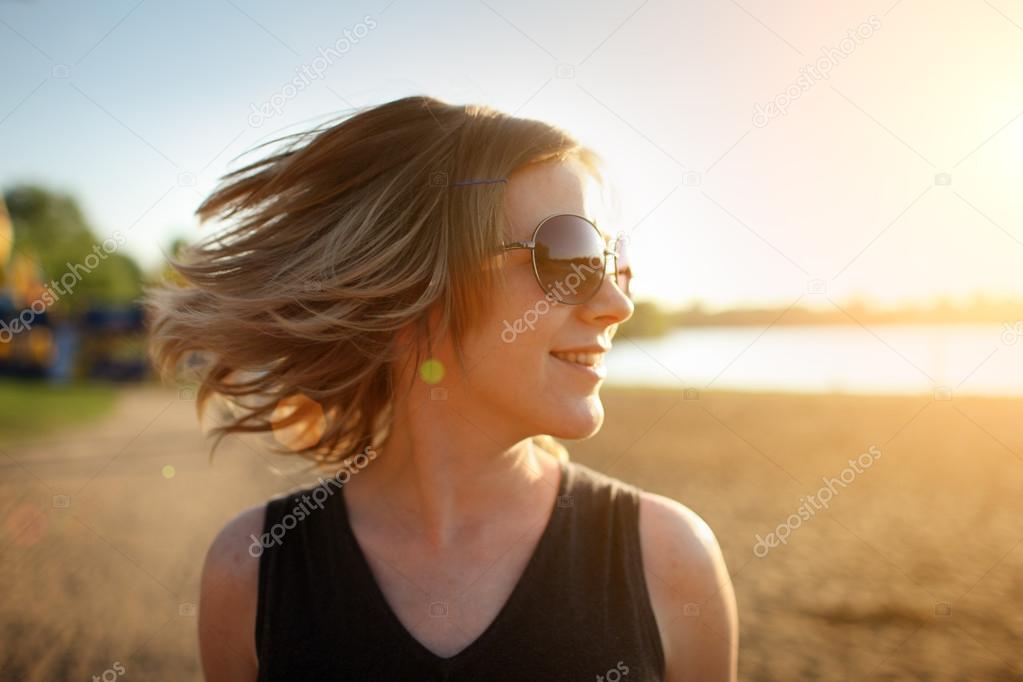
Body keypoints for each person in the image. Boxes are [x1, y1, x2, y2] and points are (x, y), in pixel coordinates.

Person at [146, 95, 738, 681]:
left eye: (614, 262)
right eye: (569, 254)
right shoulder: (250, 572)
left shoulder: (670, 558)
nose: (618, 303)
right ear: (413, 294)